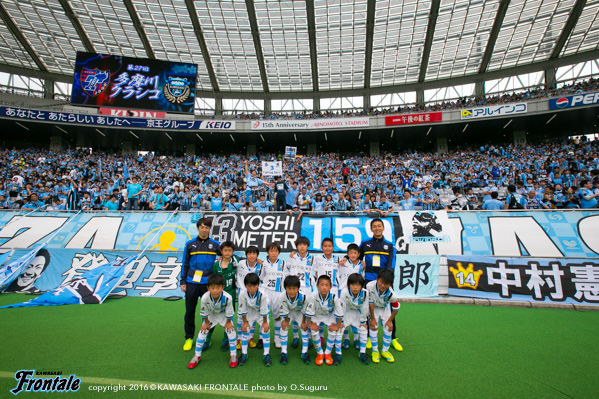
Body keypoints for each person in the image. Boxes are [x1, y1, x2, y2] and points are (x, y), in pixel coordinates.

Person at [181, 218, 221, 352]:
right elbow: (185, 264)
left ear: (210, 229)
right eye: (202, 227)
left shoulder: (215, 245)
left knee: (210, 312)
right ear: (198, 228)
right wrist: (183, 281)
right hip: (192, 282)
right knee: (190, 311)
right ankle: (189, 338)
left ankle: (207, 338)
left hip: (208, 285)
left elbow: (227, 256)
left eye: (207, 227)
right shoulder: (189, 244)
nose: (204, 230)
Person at [187, 274, 238, 369]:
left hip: (224, 315)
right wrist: (205, 323)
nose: (215, 291)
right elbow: (204, 312)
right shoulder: (205, 297)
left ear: (222, 287)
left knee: (231, 332)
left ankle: (233, 355)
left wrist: (228, 323)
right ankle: (197, 356)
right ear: (208, 288)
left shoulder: (228, 297)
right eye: (212, 288)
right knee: (202, 332)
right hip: (212, 315)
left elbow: (229, 312)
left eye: (218, 288)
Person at [304, 275, 344, 366]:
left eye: (327, 285)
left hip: (329, 316)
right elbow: (309, 312)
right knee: (313, 331)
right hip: (316, 316)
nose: (324, 287)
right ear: (317, 286)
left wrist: (337, 326)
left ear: (330, 287)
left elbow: (340, 312)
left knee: (333, 331)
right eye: (322, 285)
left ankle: (327, 353)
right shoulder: (313, 296)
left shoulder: (334, 297)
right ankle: (320, 353)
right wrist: (310, 325)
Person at [285, 236, 314, 348]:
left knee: (308, 313)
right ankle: (296, 337)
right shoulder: (292, 258)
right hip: (294, 289)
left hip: (308, 289)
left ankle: (310, 338)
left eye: (304, 245)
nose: (302, 247)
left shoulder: (313, 259)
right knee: (295, 312)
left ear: (307, 246)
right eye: (299, 245)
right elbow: (286, 270)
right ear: (297, 246)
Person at [237, 273, 271, 367]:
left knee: (265, 330)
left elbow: (264, 310)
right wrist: (245, 322)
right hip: (250, 312)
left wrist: (265, 323)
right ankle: (244, 353)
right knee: (246, 329)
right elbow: (243, 310)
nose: (251, 288)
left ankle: (266, 354)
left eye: (254, 286)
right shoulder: (242, 294)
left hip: (261, 313)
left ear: (258, 285)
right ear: (245, 286)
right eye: (249, 286)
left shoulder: (262, 295)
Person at [368, 269, 400, 364]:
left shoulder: (391, 294)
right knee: (373, 327)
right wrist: (373, 319)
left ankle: (385, 351)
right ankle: (375, 351)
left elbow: (397, 307)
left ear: (390, 284)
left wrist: (390, 321)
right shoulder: (369, 286)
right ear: (377, 279)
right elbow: (370, 303)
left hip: (385, 308)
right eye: (381, 282)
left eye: (386, 284)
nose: (382, 285)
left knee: (388, 328)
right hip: (373, 308)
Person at [259, 242, 286, 349]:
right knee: (264, 314)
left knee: (277, 316)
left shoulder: (283, 263)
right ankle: (262, 337)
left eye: (276, 251)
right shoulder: (264, 264)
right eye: (271, 251)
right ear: (267, 252)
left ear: (279, 252)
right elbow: (261, 277)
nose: (273, 253)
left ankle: (277, 338)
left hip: (277, 292)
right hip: (266, 291)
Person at [337, 243, 365, 350]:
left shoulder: (361, 265)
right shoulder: (342, 263)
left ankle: (356, 339)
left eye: (355, 253)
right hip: (343, 293)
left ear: (358, 254)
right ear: (347, 254)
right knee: (343, 316)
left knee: (356, 316)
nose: (353, 255)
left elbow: (362, 279)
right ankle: (347, 338)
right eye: (351, 253)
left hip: (356, 295)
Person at [278, 275, 310, 365]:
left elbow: (304, 311)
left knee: (304, 329)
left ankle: (304, 352)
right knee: (284, 329)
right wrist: (285, 321)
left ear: (298, 288)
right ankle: (283, 352)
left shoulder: (304, 297)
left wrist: (303, 322)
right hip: (288, 312)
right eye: (289, 288)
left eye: (294, 288)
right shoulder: (282, 296)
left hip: (299, 312)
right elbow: (284, 311)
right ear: (285, 288)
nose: (292, 291)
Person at [212, 241, 238, 351]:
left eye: (230, 250)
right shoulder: (216, 265)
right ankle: (207, 339)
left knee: (229, 317)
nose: (227, 253)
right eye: (225, 250)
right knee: (212, 316)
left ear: (233, 252)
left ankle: (225, 340)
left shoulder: (236, 263)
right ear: (221, 251)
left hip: (230, 294)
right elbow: (213, 280)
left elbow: (250, 260)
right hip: (217, 295)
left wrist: (259, 261)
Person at [235, 246, 262, 349]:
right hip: (243, 294)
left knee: (253, 316)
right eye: (249, 254)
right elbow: (229, 260)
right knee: (241, 316)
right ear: (246, 255)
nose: (252, 256)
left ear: (257, 255)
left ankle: (250, 337)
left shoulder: (260, 265)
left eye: (254, 253)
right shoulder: (240, 264)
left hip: (255, 294)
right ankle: (239, 338)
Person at [340, 273, 370, 365]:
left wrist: (363, 321)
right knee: (340, 329)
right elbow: (342, 307)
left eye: (358, 285)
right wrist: (340, 321)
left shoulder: (365, 293)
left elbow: (365, 307)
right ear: (349, 285)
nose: (355, 287)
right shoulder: (344, 292)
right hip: (346, 312)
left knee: (364, 329)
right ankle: (339, 351)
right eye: (353, 284)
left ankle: (362, 352)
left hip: (357, 312)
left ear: (361, 286)